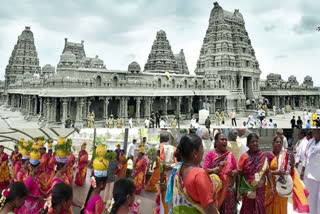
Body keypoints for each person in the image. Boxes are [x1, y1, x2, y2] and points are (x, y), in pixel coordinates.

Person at [168, 134, 219, 214]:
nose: (203, 151)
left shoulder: (179, 170)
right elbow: (209, 208)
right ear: (194, 153)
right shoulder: (199, 174)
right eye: (202, 148)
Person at [265, 135, 309, 214]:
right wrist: (277, 173)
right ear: (273, 143)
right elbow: (266, 172)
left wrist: (292, 163)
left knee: (282, 207)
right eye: (276, 142)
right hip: (271, 187)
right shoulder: (268, 156)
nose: (278, 144)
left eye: (280, 142)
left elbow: (290, 170)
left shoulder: (285, 155)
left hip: (282, 187)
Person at [237, 133, 273, 214]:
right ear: (247, 144)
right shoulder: (244, 156)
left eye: (256, 141)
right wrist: (238, 191)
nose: (255, 143)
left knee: (259, 209)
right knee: (247, 209)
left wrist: (272, 187)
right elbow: (239, 174)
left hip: (260, 189)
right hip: (248, 188)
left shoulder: (262, 155)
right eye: (252, 142)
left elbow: (268, 171)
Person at [204, 132, 237, 214]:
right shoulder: (210, 154)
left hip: (228, 192)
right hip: (215, 193)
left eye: (225, 140)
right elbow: (205, 170)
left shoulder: (230, 155)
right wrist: (216, 169)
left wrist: (232, 172)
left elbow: (237, 170)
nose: (225, 141)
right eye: (222, 139)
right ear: (216, 142)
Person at [18, 142, 45, 214]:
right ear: (33, 168)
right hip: (30, 205)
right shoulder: (29, 179)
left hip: (36, 203)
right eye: (38, 168)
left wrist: (43, 193)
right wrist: (36, 197)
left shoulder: (35, 176)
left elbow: (37, 188)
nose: (39, 169)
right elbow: (25, 193)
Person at [81, 145, 108, 214]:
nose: (106, 184)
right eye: (106, 182)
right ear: (102, 184)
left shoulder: (91, 193)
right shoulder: (98, 199)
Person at [300, 129, 320, 214]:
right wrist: (303, 169)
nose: (313, 131)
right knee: (310, 199)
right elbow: (306, 156)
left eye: (315, 130)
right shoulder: (311, 141)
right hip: (310, 176)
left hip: (318, 176)